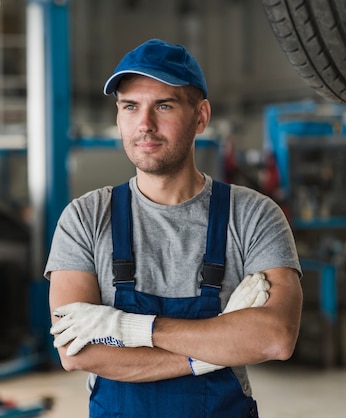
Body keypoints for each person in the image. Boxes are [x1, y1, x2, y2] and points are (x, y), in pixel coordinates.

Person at [45, 38, 303, 417]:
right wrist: (209, 354)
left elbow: (276, 337)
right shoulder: (85, 218)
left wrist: (127, 329)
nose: (144, 124)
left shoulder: (253, 215)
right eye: (130, 106)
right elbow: (76, 351)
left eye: (163, 106)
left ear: (201, 116)